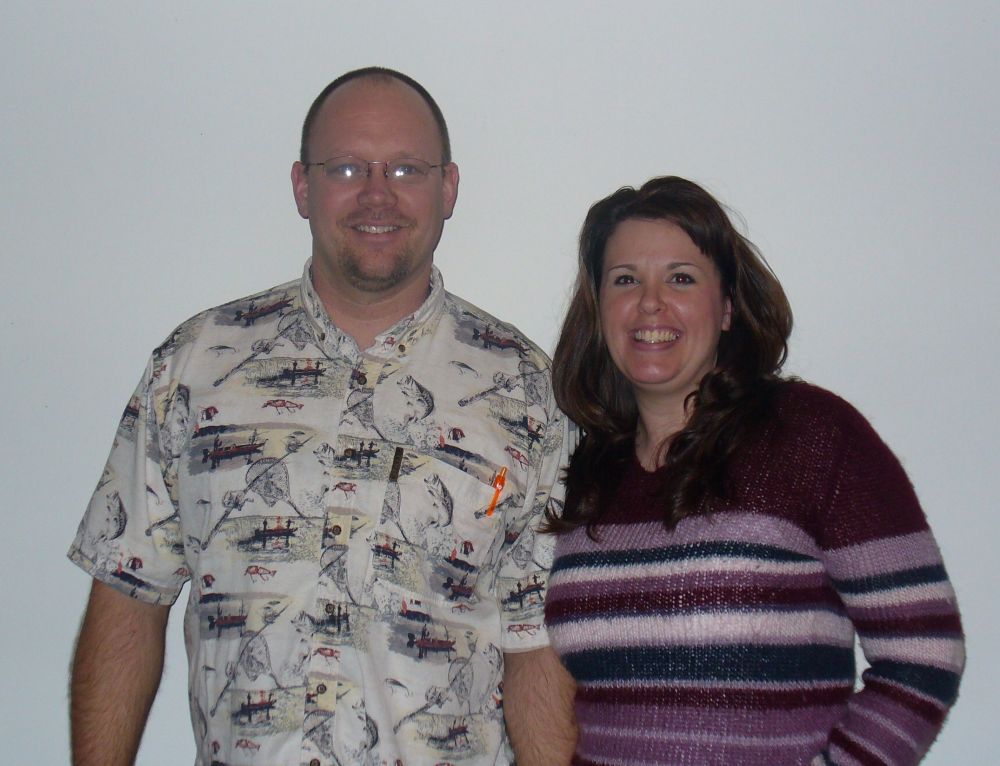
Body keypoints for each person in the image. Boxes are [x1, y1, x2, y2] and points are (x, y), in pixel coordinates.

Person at [68, 67, 575, 766]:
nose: (377, 193)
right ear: (302, 187)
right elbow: (128, 600)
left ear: (448, 188)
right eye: (346, 167)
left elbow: (536, 647)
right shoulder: (195, 367)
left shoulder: (525, 393)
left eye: (406, 168)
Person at [542, 176, 964, 765]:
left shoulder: (809, 434)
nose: (650, 303)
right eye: (625, 279)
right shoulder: (590, 472)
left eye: (681, 278)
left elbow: (925, 654)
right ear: (599, 310)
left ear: (727, 308)